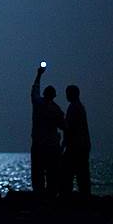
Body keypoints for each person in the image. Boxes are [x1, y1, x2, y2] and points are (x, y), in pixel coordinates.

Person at [30, 66, 65, 196]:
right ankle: (51, 194)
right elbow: (63, 126)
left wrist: (39, 75)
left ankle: (39, 194)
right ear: (54, 96)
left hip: (38, 143)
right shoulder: (56, 109)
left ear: (45, 94)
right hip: (52, 145)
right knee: (52, 172)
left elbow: (34, 90)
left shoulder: (38, 103)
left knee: (38, 171)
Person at [62, 84, 91, 198]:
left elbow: (70, 128)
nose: (66, 96)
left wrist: (64, 143)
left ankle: (67, 195)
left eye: (68, 93)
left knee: (68, 171)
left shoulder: (73, 108)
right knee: (82, 172)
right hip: (82, 145)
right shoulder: (80, 107)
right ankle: (84, 194)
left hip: (75, 146)